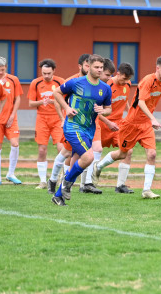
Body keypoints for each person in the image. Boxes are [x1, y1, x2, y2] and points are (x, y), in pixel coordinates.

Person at [93, 56, 161, 200]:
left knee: (152, 154)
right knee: (123, 154)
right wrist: (152, 118)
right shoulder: (147, 81)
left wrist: (149, 119)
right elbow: (141, 102)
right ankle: (98, 167)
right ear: (158, 68)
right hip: (130, 124)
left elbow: (141, 102)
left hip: (145, 125)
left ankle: (146, 190)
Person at [50, 54, 112, 206]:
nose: (99, 70)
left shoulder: (105, 88)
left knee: (76, 162)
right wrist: (67, 108)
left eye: (101, 68)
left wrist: (103, 111)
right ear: (88, 67)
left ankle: (58, 196)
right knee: (89, 157)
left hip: (89, 129)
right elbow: (56, 92)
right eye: (96, 67)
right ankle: (66, 183)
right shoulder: (76, 82)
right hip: (73, 126)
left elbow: (109, 108)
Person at [47, 53, 90, 193]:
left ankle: (71, 184)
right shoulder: (72, 81)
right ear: (80, 66)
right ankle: (55, 181)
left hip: (87, 125)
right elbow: (57, 99)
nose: (90, 68)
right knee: (66, 153)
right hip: (72, 124)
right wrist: (62, 119)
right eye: (87, 65)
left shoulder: (93, 82)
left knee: (78, 153)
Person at [93, 62, 135, 193]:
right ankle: (86, 184)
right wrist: (108, 123)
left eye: (128, 79)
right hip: (103, 123)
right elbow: (96, 109)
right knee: (93, 152)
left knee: (128, 151)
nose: (125, 82)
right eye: (124, 78)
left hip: (119, 124)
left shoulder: (127, 84)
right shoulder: (107, 85)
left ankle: (120, 185)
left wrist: (130, 114)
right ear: (118, 74)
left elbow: (124, 99)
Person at [79, 57, 116, 193]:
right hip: (79, 122)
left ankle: (87, 183)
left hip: (94, 122)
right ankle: (56, 180)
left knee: (96, 149)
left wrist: (105, 113)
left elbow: (106, 108)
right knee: (69, 154)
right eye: (106, 74)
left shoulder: (105, 87)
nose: (108, 77)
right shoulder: (80, 83)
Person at [27, 59, 65, 189]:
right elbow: (31, 103)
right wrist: (42, 102)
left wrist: (55, 102)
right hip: (42, 119)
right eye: (44, 73)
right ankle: (43, 181)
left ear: (54, 71)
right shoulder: (35, 83)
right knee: (42, 150)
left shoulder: (61, 82)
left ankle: (61, 178)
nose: (46, 76)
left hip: (57, 118)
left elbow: (66, 99)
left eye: (49, 73)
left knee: (62, 148)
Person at [0, 56, 23, 185]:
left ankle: (10, 174)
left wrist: (12, 115)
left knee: (15, 144)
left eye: (2, 70)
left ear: (6, 68)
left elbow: (18, 99)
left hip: (11, 117)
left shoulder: (13, 79)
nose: (0, 72)